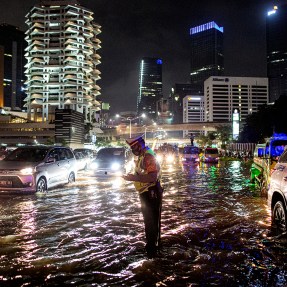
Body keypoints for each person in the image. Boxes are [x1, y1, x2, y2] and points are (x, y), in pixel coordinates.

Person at [122, 135, 163, 258]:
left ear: (140, 145)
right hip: (147, 193)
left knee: (151, 223)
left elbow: (152, 177)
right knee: (149, 222)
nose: (133, 150)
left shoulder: (148, 156)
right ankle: (152, 248)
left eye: (134, 147)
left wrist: (134, 178)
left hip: (151, 193)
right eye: (131, 148)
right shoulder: (142, 156)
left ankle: (152, 252)